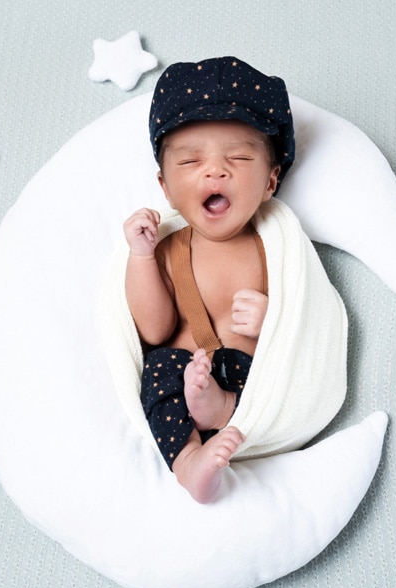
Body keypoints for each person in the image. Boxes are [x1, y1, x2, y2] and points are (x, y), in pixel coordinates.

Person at [122, 56, 295, 503]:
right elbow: (154, 330)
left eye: (238, 157)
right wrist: (141, 257)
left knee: (268, 385)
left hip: (249, 381)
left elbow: (310, 323)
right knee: (161, 372)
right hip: (182, 375)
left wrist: (273, 320)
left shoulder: (277, 248)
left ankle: (223, 409)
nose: (214, 170)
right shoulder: (168, 247)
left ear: (271, 180)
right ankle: (188, 462)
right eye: (191, 160)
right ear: (165, 186)